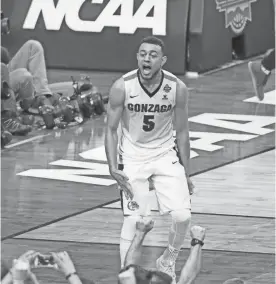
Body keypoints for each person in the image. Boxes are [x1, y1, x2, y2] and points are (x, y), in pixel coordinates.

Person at [105, 36, 194, 283]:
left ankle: (168, 260)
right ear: (137, 57)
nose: (147, 58)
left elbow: (183, 132)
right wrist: (113, 167)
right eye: (143, 53)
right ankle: (127, 275)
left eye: (153, 55)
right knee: (135, 219)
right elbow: (110, 130)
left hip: (165, 154)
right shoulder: (122, 86)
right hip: (132, 158)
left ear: (162, 60)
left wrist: (187, 173)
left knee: (182, 216)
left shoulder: (177, 88)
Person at [118, 218, 205, 284]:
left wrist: (140, 233)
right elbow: (186, 280)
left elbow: (129, 267)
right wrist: (197, 241)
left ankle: (164, 265)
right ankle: (165, 265)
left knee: (130, 272)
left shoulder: (127, 277)